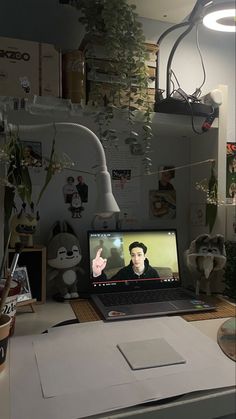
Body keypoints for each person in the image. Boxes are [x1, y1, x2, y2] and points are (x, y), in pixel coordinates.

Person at [92, 241, 159, 281]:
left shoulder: (153, 273)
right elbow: (107, 287)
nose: (136, 259)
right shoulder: (123, 272)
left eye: (139, 255)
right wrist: (97, 274)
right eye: (133, 255)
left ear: (145, 256)